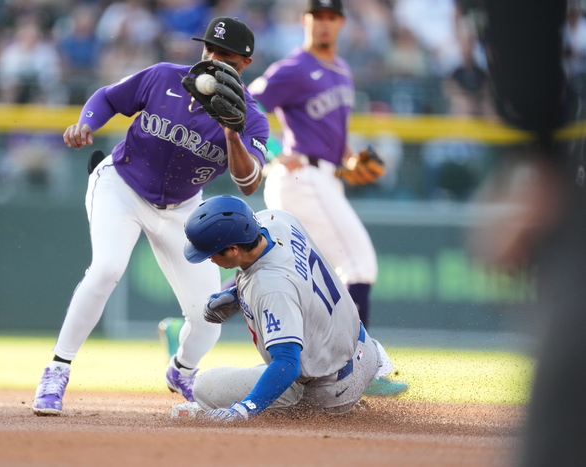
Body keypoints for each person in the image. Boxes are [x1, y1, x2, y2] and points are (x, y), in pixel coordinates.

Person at [32, 16, 269, 415]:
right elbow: (108, 98)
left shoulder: (252, 118)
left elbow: (249, 183)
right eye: (209, 49)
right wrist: (86, 123)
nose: (213, 59)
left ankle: (182, 370)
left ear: (244, 63)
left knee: (208, 313)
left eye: (225, 55)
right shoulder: (164, 77)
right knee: (106, 268)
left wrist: (232, 132)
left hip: (183, 208)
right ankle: (57, 369)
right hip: (121, 186)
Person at [246, 0, 407, 396]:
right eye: (317, 16)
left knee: (289, 274)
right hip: (302, 177)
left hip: (323, 177)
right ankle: (354, 371)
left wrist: (349, 159)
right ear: (306, 20)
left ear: (341, 23)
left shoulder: (342, 70)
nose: (324, 24)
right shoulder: (295, 67)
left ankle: (196, 319)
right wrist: (272, 151)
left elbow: (337, 136)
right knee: (358, 264)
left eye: (331, 17)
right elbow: (245, 104)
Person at [172, 195, 396, 422]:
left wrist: (244, 410)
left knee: (205, 387)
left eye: (210, 252)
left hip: (328, 389)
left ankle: (324, 409)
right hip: (363, 350)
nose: (209, 259)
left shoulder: (270, 288)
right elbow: (295, 281)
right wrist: (238, 295)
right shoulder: (278, 220)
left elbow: (287, 364)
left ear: (233, 248)